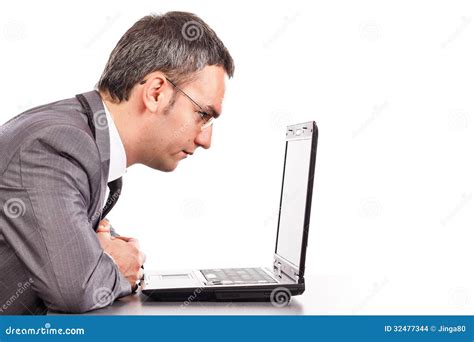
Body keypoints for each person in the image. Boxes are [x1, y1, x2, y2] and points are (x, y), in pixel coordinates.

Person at [0, 11, 234, 314]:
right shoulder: (53, 145)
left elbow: (85, 259)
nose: (206, 140)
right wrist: (116, 264)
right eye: (202, 115)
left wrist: (102, 261)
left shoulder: (83, 140)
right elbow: (77, 286)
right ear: (156, 93)